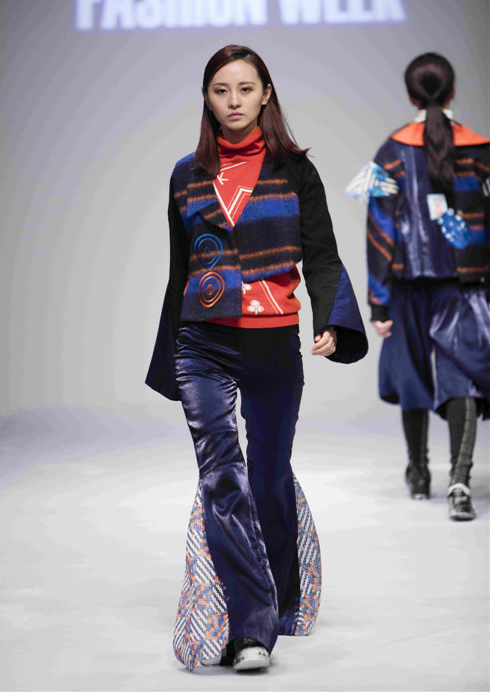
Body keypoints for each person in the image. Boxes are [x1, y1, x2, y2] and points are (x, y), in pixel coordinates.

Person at [146, 44, 368, 672]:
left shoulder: (296, 171)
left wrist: (332, 320)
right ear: (207, 98)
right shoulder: (185, 175)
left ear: (266, 94)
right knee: (222, 477)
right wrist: (170, 348)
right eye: (221, 90)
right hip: (203, 342)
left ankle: (283, 589)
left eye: (246, 89)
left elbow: (321, 254)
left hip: (273, 341)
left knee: (268, 477)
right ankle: (249, 629)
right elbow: (180, 269)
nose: (234, 101)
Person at [345, 52, 490, 522]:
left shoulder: (390, 151)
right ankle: (459, 482)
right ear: (452, 92)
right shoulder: (482, 150)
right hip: (466, 286)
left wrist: (378, 303)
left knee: (410, 372)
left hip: (407, 284)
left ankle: (419, 472)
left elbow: (379, 231)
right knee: (462, 375)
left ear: (410, 96)